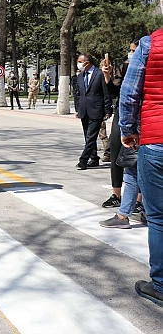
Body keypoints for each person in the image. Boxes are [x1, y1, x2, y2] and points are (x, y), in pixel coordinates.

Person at [119, 31, 163, 307]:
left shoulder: (150, 44)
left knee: (158, 216)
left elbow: (130, 93)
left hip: (156, 140)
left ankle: (160, 285)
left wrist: (128, 128)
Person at [102, 41, 140, 209]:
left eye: (134, 51)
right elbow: (113, 92)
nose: (130, 54)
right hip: (122, 112)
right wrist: (108, 76)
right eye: (130, 51)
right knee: (116, 150)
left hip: (141, 113)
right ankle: (116, 194)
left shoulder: (149, 66)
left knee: (138, 157)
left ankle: (139, 201)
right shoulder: (123, 66)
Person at [74, 53, 112, 170]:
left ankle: (83, 160)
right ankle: (94, 158)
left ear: (87, 62)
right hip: (84, 110)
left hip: (96, 110)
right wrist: (77, 109)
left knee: (91, 136)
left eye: (80, 61)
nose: (79, 64)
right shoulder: (80, 76)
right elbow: (78, 94)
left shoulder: (99, 74)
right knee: (87, 136)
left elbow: (106, 93)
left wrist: (108, 109)